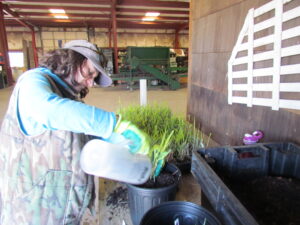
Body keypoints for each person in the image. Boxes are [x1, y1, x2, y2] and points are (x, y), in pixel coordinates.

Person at [0, 40, 142, 224]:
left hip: (61, 212)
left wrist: (122, 142)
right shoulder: (32, 82)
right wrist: (113, 123)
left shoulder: (67, 98)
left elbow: (81, 134)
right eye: (90, 73)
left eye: (94, 77)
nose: (90, 83)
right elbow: (49, 110)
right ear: (70, 60)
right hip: (30, 212)